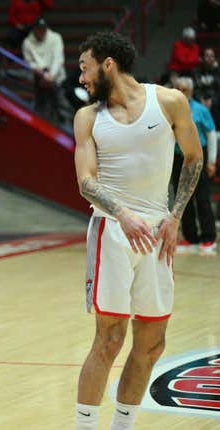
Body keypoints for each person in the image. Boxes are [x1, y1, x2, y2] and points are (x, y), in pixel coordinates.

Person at [73, 32, 203, 430]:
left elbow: (194, 159)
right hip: (112, 229)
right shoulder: (88, 118)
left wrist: (176, 215)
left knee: (152, 343)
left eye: (84, 68)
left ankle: (122, 426)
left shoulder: (169, 102)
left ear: (107, 63)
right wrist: (124, 213)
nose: (81, 79)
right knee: (109, 339)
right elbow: (86, 182)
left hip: (157, 231)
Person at [172, 77, 217, 255]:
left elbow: (211, 133)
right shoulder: (171, 109)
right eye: (178, 88)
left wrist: (212, 161)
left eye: (184, 89)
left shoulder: (199, 109)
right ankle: (191, 237)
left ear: (190, 91)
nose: (181, 92)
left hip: (198, 156)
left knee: (202, 197)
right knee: (182, 198)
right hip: (177, 157)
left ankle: (208, 238)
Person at [22, 18, 66, 122]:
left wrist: (51, 76)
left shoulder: (55, 38)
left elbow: (58, 59)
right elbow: (29, 62)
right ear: (34, 30)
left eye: (43, 29)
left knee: (62, 108)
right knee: (41, 110)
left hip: (57, 78)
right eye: (39, 29)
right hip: (39, 80)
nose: (41, 32)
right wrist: (41, 73)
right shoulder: (27, 42)